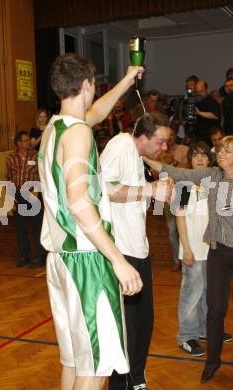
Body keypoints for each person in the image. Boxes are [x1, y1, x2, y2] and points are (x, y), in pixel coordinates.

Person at [38, 53, 144, 390]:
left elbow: (93, 113)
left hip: (60, 260)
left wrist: (127, 81)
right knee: (98, 367)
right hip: (87, 262)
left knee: (74, 362)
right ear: (87, 84)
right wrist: (118, 260)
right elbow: (80, 203)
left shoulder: (53, 130)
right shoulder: (79, 133)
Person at [145, 136, 233, 390]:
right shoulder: (212, 175)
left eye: (226, 151)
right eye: (220, 150)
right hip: (218, 254)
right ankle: (212, 363)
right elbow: (176, 172)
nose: (220, 154)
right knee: (215, 312)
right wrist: (145, 158)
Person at [100, 112, 172, 390]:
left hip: (139, 250)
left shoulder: (138, 155)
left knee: (145, 322)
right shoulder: (120, 144)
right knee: (126, 329)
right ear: (142, 138)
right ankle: (120, 384)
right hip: (121, 252)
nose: (164, 147)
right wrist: (150, 190)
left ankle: (137, 378)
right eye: (161, 142)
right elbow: (103, 189)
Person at [176, 141, 232, 357]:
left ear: (210, 159)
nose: (199, 159)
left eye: (203, 155)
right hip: (193, 249)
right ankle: (186, 336)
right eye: (195, 155)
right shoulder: (183, 185)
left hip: (213, 249)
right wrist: (186, 249)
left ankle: (206, 330)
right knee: (191, 293)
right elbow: (179, 217)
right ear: (189, 160)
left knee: (210, 292)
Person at [6, 131, 44, 268]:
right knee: (20, 227)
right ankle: (24, 256)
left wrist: (36, 191)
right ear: (18, 142)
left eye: (28, 140)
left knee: (37, 226)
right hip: (18, 194)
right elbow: (8, 177)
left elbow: (41, 174)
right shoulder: (11, 158)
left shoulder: (35, 155)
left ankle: (39, 256)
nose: (28, 142)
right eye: (24, 140)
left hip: (32, 193)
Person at [159, 128, 189, 271]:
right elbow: (155, 174)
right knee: (172, 231)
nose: (169, 138)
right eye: (167, 136)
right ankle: (177, 261)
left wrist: (174, 162)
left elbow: (190, 170)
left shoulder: (183, 149)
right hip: (168, 196)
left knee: (186, 228)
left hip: (185, 193)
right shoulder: (159, 151)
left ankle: (187, 258)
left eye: (171, 135)